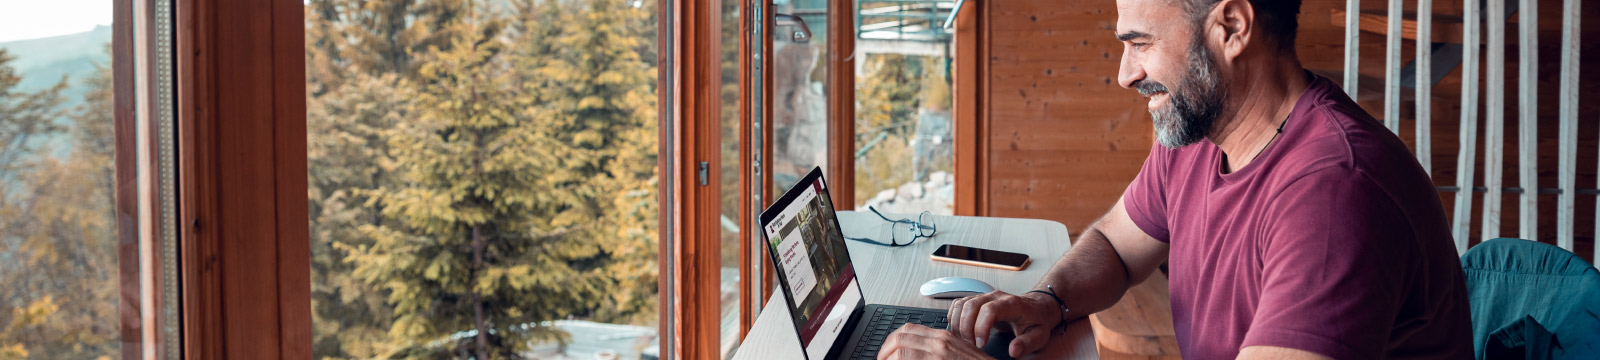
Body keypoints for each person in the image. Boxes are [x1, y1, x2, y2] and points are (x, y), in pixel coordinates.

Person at [876, 0, 1473, 358]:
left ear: (1232, 27)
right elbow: (1115, 244)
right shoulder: (1202, 130)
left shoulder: (1335, 194)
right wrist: (1047, 301)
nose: (1123, 73)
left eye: (1140, 43)